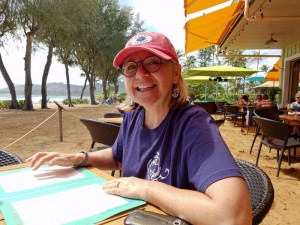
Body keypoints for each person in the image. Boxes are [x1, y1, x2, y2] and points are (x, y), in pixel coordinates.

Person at [26, 32, 252, 224]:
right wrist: (80, 158)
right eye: (131, 67)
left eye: (153, 62)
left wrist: (146, 188)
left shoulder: (194, 124)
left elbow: (234, 216)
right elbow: (117, 156)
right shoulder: (132, 118)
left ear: (175, 73)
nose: (141, 74)